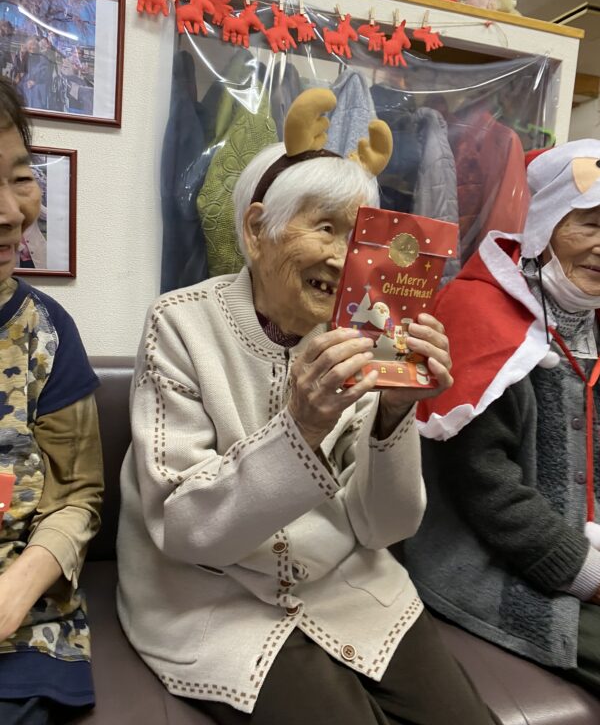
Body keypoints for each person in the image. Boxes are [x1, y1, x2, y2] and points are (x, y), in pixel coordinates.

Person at [117, 88, 499, 724]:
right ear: (256, 230)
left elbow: (384, 528)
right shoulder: (180, 325)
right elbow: (185, 531)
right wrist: (302, 428)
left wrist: (393, 414)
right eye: (324, 227)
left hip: (346, 584)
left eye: (358, 237)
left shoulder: (361, 338)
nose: (343, 258)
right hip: (211, 595)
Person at [405, 139, 600, 696]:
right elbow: (483, 484)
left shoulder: (591, 322)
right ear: (545, 225)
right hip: (488, 555)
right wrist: (585, 573)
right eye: (589, 225)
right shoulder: (477, 312)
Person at [0, 77, 104, 724]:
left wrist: (15, 591)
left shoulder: (49, 334)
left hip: (25, 627)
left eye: (20, 179)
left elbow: (77, 495)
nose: (10, 213)